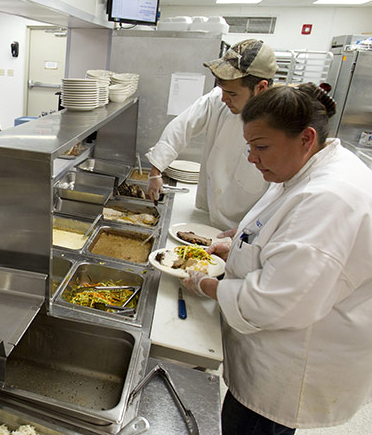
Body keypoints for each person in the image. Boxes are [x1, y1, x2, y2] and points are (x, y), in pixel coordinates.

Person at [182, 83, 372, 434]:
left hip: (293, 364)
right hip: (277, 352)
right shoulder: (308, 164)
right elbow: (280, 232)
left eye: (261, 146)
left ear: (305, 138)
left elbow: (276, 301)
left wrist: (206, 284)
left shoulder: (331, 198)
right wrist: (238, 243)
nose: (252, 157)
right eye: (250, 146)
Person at [145, 39, 277, 230]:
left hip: (245, 227)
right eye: (223, 90)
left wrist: (248, 234)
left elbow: (279, 194)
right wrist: (155, 171)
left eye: (232, 94)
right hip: (209, 214)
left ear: (261, 88)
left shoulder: (281, 126)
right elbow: (182, 126)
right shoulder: (218, 99)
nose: (224, 99)